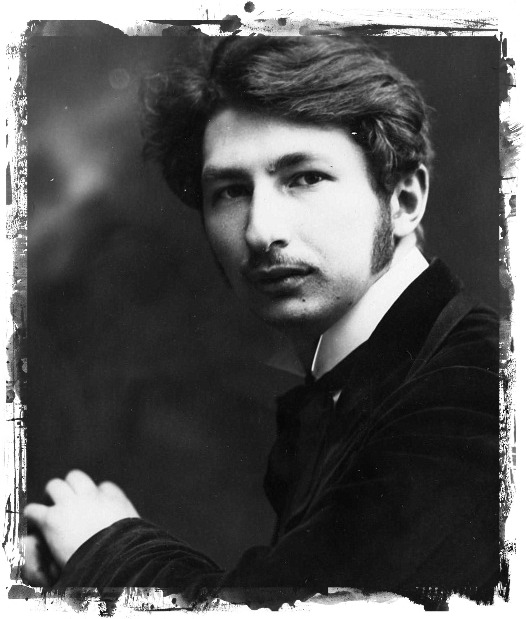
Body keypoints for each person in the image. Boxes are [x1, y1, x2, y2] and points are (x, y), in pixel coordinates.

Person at [23, 36, 500, 610]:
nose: (260, 231)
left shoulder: (478, 388)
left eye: (305, 178)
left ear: (403, 200)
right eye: (230, 191)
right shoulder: (381, 378)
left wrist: (105, 548)